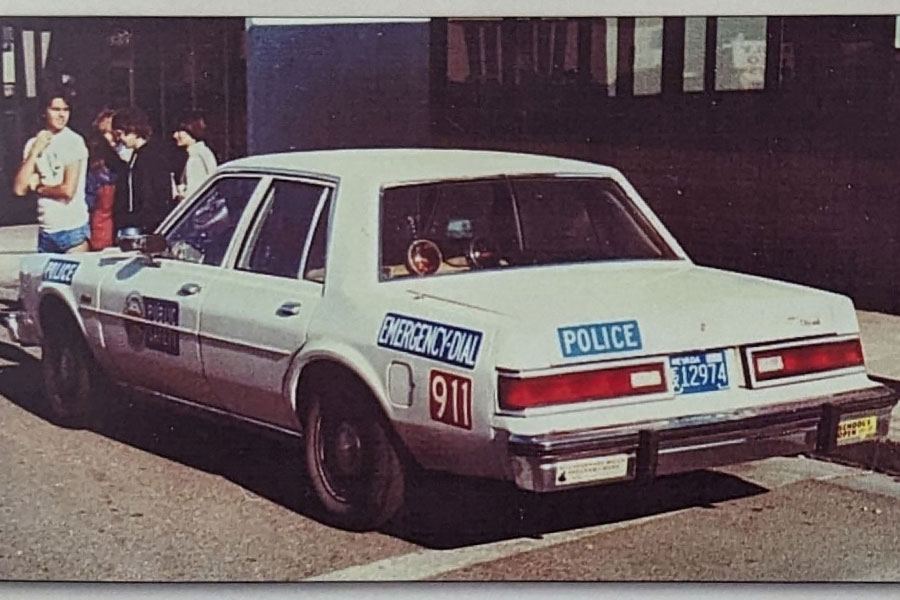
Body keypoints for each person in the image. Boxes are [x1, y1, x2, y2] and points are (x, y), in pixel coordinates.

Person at [12, 86, 90, 253]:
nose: (61, 115)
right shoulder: (34, 142)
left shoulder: (73, 141)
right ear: (44, 111)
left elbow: (67, 191)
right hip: (46, 231)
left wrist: (38, 187)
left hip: (71, 230)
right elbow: (19, 188)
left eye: (66, 110)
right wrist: (35, 151)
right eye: (55, 109)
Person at [111, 107, 172, 233]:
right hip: (139, 221)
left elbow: (151, 194)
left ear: (132, 130)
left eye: (121, 134)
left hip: (144, 223)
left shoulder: (150, 157)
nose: (119, 139)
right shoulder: (138, 155)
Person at [172, 111, 217, 202]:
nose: (175, 135)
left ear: (191, 130)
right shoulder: (204, 152)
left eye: (180, 131)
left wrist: (178, 193)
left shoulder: (195, 159)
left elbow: (194, 195)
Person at [84, 131, 117, 250]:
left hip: (96, 228)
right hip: (113, 228)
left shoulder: (91, 175)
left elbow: (88, 204)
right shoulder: (118, 170)